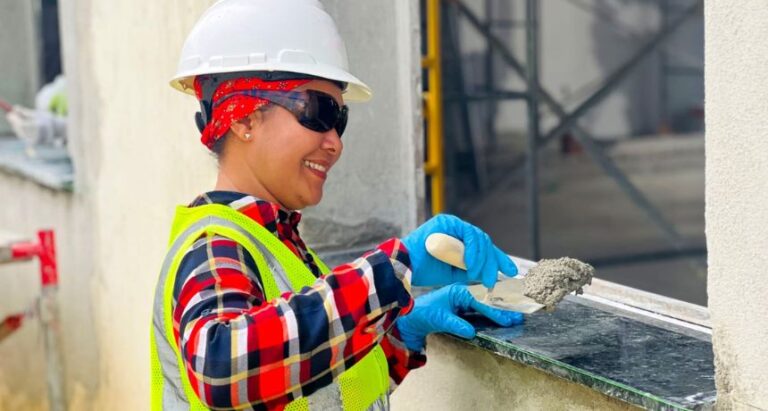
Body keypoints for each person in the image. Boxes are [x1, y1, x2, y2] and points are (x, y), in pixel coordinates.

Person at [150, 1, 522, 410]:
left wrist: (400, 331)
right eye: (317, 111)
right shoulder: (215, 246)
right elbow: (222, 368)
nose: (335, 142)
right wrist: (391, 270)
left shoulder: (279, 243)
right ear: (242, 118)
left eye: (339, 119)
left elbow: (321, 386)